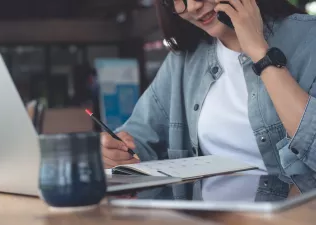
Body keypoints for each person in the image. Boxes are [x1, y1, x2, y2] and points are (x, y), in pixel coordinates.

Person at [101, 0, 316, 188]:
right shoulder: (184, 61)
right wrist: (116, 151)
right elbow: (140, 136)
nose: (194, 5)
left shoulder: (308, 38)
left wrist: (260, 52)